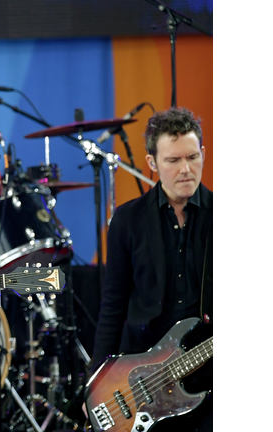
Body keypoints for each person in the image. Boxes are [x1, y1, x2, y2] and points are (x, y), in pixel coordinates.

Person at [91, 106, 212, 431]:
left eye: (193, 157)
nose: (186, 169)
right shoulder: (128, 221)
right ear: (152, 163)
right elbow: (112, 306)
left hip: (207, 373)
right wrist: (95, 382)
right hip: (140, 379)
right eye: (173, 160)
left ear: (203, 153)